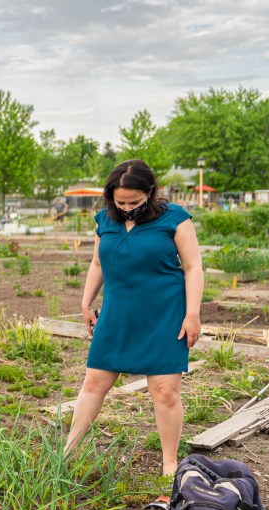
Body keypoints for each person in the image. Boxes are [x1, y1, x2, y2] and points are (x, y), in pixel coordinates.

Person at [64, 159, 203, 477]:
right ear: (111, 196)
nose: (127, 208)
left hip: (164, 316)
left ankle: (170, 463)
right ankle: (67, 453)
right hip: (117, 315)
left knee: (165, 392)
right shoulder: (105, 220)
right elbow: (97, 264)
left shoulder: (175, 219)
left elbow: (193, 267)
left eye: (135, 202)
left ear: (150, 193)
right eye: (120, 202)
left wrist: (192, 313)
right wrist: (86, 303)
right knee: (93, 382)